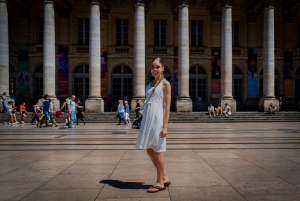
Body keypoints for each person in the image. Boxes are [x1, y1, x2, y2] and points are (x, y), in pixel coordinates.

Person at [136, 58, 171, 193]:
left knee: (157, 150)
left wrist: (165, 126)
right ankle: (164, 176)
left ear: (163, 68)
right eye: (152, 67)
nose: (154, 69)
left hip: (158, 119)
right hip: (148, 119)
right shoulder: (149, 84)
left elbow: (167, 106)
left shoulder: (165, 84)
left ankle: (160, 182)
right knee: (149, 150)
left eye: (157, 67)